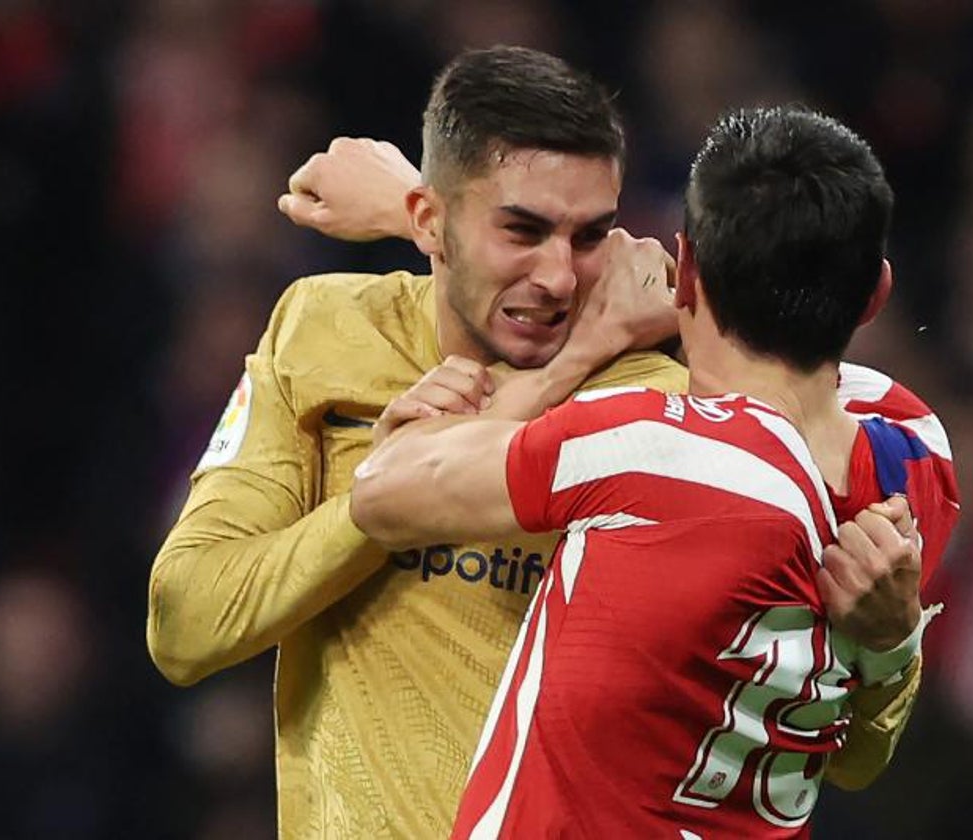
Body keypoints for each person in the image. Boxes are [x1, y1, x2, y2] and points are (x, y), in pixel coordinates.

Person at [148, 46, 932, 837]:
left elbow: (833, 749)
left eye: (590, 237)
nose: (558, 277)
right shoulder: (325, 328)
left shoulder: (666, 417)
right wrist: (370, 509)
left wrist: (892, 648)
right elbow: (185, 624)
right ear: (429, 221)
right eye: (522, 229)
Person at [348, 104, 959, 837]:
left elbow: (380, 491)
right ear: (876, 296)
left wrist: (589, 341)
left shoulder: (655, 452)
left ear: (688, 269)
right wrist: (893, 644)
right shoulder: (917, 456)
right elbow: (856, 761)